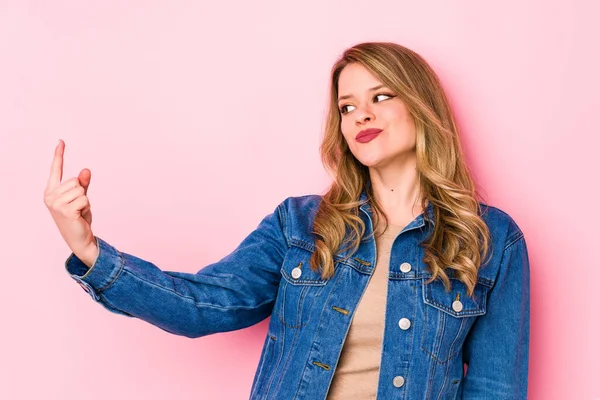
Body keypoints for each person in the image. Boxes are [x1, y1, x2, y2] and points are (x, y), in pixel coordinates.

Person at [44, 42, 530, 399]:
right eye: (347, 106)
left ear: (420, 107)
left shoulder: (491, 240)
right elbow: (204, 305)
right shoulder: (299, 225)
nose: (361, 114)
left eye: (380, 96)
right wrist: (90, 250)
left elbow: (495, 387)